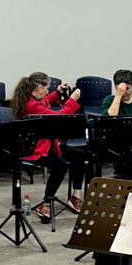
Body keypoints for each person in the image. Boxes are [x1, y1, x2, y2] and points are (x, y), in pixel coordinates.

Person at [12, 72, 86, 219]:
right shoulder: (32, 105)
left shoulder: (30, 99)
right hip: (35, 149)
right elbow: (59, 117)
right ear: (39, 88)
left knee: (79, 155)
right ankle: (45, 203)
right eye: (47, 88)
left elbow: (45, 101)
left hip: (47, 144)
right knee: (61, 165)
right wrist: (72, 100)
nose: (47, 91)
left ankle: (75, 196)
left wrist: (57, 93)